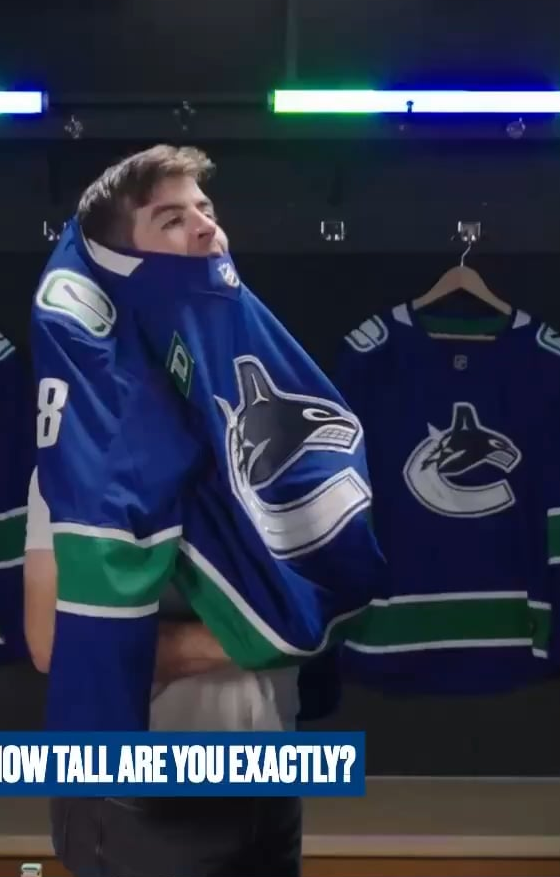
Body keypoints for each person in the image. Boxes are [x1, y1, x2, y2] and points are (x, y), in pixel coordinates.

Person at [24, 145, 359, 877]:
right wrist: (269, 631)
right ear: (124, 266)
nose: (205, 229)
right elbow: (55, 641)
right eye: (171, 219)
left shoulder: (256, 416)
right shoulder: (84, 456)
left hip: (271, 776)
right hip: (144, 800)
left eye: (206, 211)